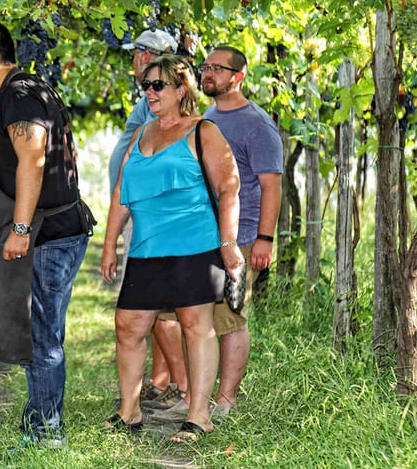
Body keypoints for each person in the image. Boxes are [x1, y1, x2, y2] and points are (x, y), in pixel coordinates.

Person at [0, 22, 91, 448]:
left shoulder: (17, 94)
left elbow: (32, 159)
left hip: (47, 233)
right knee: (39, 332)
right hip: (50, 229)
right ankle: (40, 423)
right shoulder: (27, 91)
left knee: (42, 335)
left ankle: (46, 433)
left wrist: (18, 228)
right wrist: (3, 225)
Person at [100, 55, 242, 442]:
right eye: (145, 86)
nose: (149, 92)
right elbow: (122, 194)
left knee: (196, 327)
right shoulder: (142, 132)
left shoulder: (203, 130)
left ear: (181, 90)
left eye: (158, 85)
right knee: (128, 325)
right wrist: (111, 243)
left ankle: (199, 416)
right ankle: (128, 412)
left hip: (194, 246)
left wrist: (228, 244)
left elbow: (229, 187)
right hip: (146, 248)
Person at [108, 28, 187, 410]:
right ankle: (162, 382)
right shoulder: (147, 100)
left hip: (148, 220)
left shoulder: (155, 103)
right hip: (138, 215)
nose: (134, 60)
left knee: (155, 306)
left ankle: (181, 385)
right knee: (154, 309)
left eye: (138, 52)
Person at [201, 45, 282, 418]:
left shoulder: (257, 124)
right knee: (199, 316)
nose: (208, 74)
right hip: (203, 235)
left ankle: (227, 399)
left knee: (231, 316)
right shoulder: (207, 117)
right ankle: (198, 393)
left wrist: (264, 240)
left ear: (238, 76)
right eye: (206, 67)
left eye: (218, 68)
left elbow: (271, 186)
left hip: (243, 237)